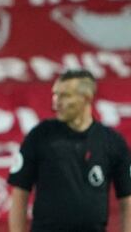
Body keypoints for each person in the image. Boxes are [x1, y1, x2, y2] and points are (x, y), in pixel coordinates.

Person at [7, 68, 131, 232]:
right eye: (55, 94)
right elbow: (19, 194)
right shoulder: (40, 136)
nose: (55, 102)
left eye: (64, 96)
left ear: (86, 98)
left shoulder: (112, 142)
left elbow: (127, 200)